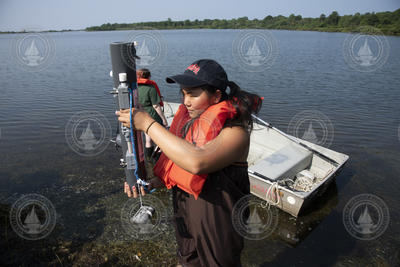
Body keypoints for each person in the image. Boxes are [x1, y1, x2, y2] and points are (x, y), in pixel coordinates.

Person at [117, 59, 262, 267]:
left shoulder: (236, 133)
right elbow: (179, 163)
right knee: (187, 259)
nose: (186, 101)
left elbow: (197, 162)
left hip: (219, 216)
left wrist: (148, 124)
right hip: (185, 205)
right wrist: (153, 182)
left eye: (193, 94)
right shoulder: (190, 123)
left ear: (217, 96)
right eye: (184, 93)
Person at [136, 68, 168, 159]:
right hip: (152, 115)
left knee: (148, 139)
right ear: (149, 76)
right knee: (160, 139)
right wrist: (163, 119)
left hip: (142, 115)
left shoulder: (135, 87)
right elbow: (156, 106)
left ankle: (148, 159)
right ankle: (157, 160)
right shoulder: (151, 87)